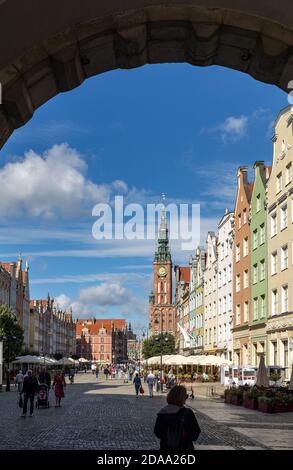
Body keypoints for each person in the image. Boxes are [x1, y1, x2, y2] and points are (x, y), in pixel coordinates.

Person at [154, 385, 201, 452]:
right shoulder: (187, 413)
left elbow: (158, 432)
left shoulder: (162, 413)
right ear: (182, 398)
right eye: (186, 396)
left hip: (165, 447)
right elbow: (195, 435)